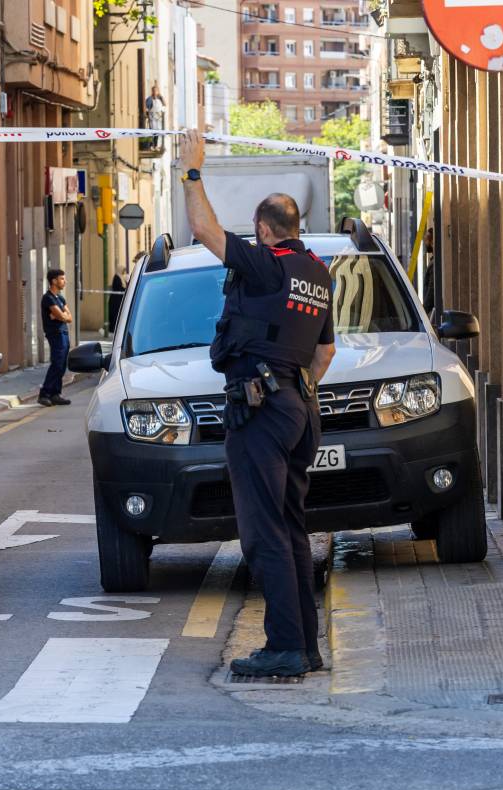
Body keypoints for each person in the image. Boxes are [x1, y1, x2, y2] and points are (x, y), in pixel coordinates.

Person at [179, 128, 337, 678]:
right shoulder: (318, 274)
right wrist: (292, 391)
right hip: (298, 407)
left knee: (263, 532)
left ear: (265, 230)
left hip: (262, 413)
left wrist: (193, 169)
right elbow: (326, 352)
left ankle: (285, 648)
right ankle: (305, 646)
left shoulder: (266, 264)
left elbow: (202, 227)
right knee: (291, 528)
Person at [38, 269, 73, 407]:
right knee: (57, 363)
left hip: (64, 333)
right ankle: (44, 394)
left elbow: (69, 317)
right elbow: (61, 316)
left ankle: (55, 394)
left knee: (63, 363)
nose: (64, 281)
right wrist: (61, 316)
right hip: (55, 334)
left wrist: (61, 316)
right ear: (54, 281)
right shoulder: (48, 298)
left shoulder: (60, 298)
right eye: (62, 279)